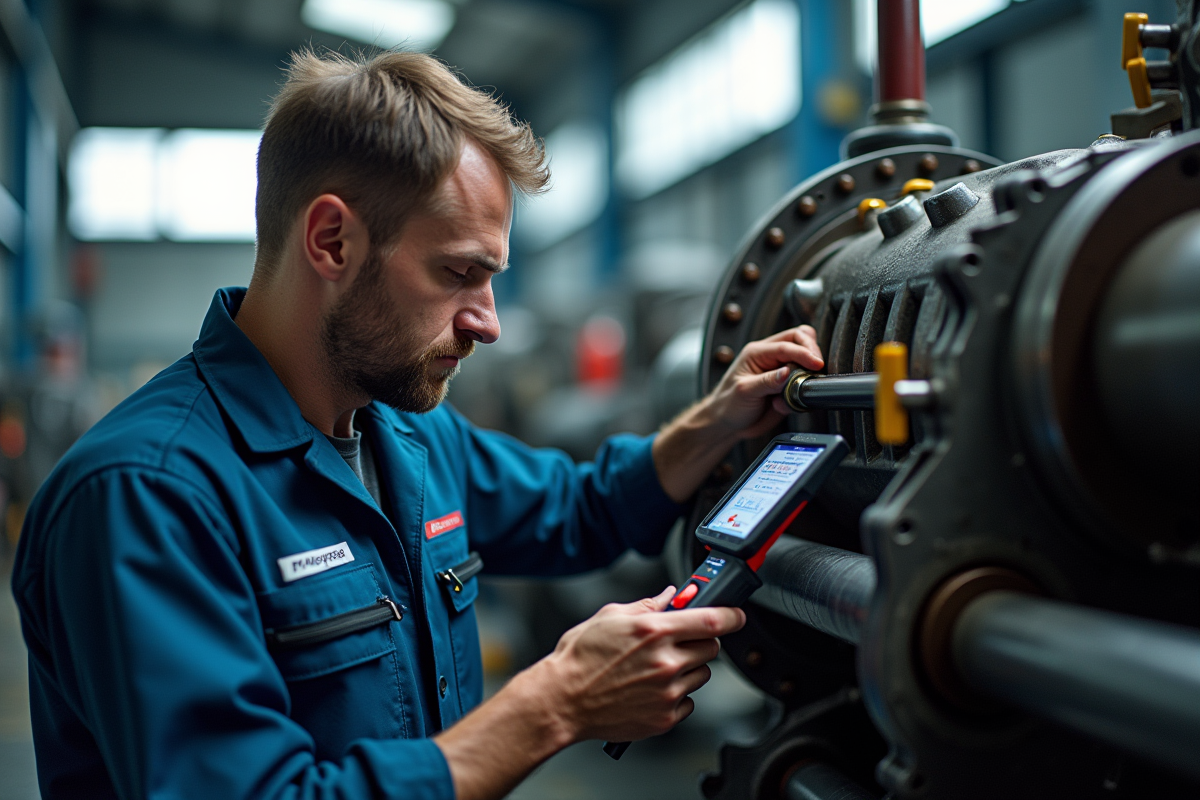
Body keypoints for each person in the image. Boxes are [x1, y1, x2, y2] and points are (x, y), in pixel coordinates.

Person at [11, 49, 825, 800]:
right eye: (459, 274)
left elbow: (581, 509)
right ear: (332, 240)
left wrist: (717, 422)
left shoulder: (404, 434)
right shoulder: (145, 499)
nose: (490, 323)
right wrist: (555, 705)